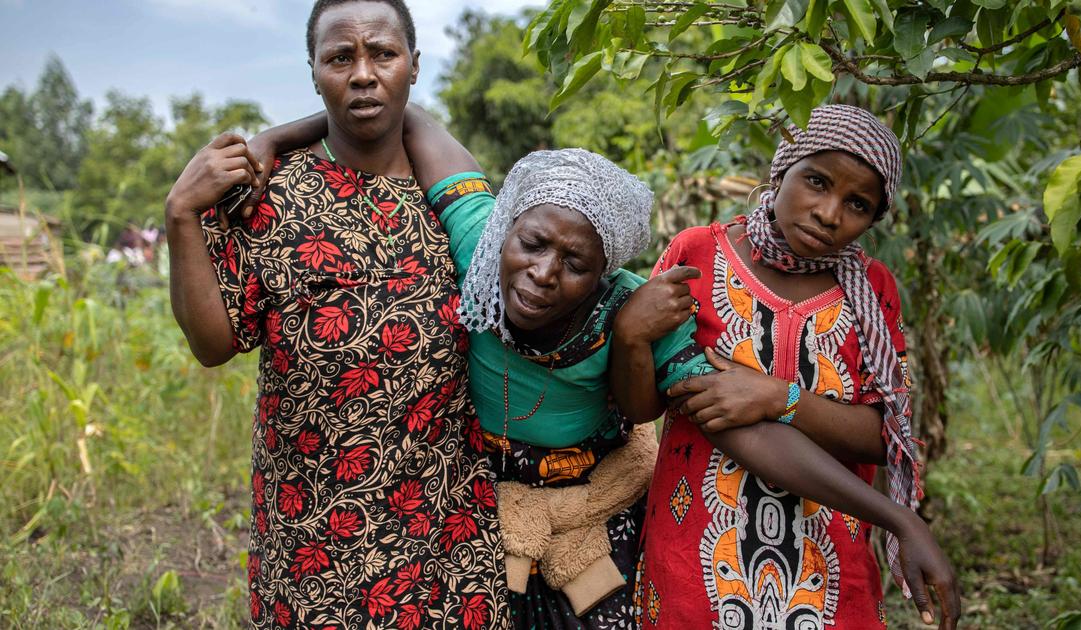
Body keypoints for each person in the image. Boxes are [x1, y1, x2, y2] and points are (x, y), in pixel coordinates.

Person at [246, 105, 959, 629]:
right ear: (508, 230)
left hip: (600, 510)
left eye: (577, 263)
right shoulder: (483, 245)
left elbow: (722, 420)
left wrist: (899, 519)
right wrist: (271, 141)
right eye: (532, 244)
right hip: (475, 515)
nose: (542, 273)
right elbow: (411, 116)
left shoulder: (634, 305)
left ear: (608, 272)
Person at [163, 1, 506, 627]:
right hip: (311, 545)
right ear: (315, 73)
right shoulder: (266, 197)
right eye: (340, 57)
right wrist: (181, 213)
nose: (363, 73)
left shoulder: (454, 201)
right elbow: (213, 344)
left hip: (447, 537)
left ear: (414, 66)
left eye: (383, 53)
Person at [629, 104, 961, 629]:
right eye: (816, 181)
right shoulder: (698, 254)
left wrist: (779, 397)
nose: (830, 213)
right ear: (780, 172)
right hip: (694, 569)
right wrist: (631, 333)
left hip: (827, 573)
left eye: (857, 203)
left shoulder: (873, 293)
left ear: (875, 218)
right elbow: (641, 404)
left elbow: (883, 438)